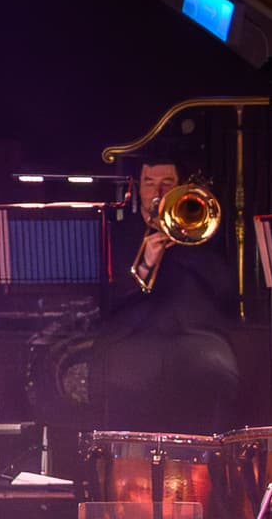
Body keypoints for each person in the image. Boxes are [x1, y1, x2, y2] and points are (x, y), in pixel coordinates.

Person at [90, 155, 240, 435]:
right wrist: (145, 263)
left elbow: (227, 291)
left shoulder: (204, 231)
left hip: (196, 337)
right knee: (120, 373)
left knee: (213, 368)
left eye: (167, 183)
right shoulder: (119, 234)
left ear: (180, 188)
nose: (157, 192)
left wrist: (185, 245)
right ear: (138, 188)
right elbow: (107, 301)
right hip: (132, 337)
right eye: (149, 183)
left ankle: (205, 458)